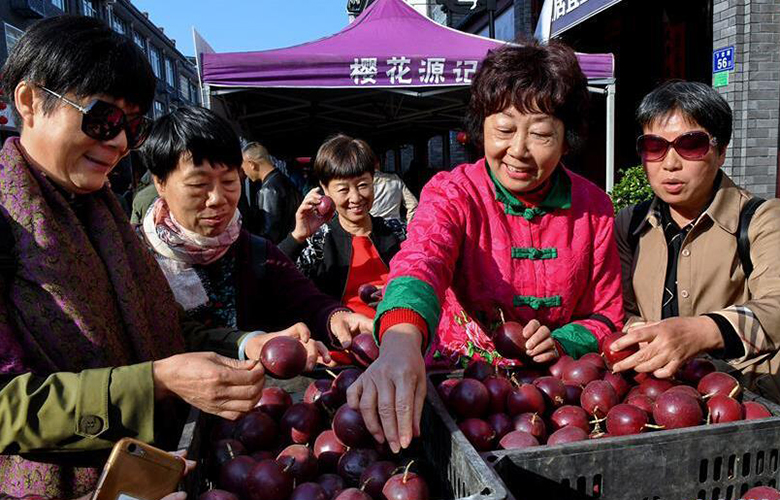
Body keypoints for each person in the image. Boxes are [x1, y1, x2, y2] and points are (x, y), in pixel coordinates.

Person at [0, 16, 309, 497]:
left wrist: (244, 343)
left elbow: (160, 326)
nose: (119, 142)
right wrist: (155, 381)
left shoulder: (103, 217)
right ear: (29, 102)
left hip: (146, 472)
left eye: (132, 126)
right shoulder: (7, 221)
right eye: (101, 118)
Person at [347, 41, 624, 453]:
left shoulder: (594, 209)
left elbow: (606, 314)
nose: (519, 151)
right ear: (482, 128)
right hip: (461, 388)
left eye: (542, 134)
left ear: (568, 139)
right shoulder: (454, 192)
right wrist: (401, 341)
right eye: (505, 129)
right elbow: (422, 260)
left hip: (556, 399)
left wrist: (564, 340)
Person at [139, 106, 371, 354]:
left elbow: (305, 299)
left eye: (229, 181)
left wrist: (334, 317)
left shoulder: (254, 250)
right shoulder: (135, 258)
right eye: (198, 184)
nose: (218, 198)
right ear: (160, 183)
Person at [610, 81, 780, 399]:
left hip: (741, 399)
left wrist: (701, 331)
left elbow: (775, 307)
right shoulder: (629, 224)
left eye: (691, 145)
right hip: (653, 398)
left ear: (721, 151)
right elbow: (618, 307)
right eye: (654, 146)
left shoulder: (762, 219)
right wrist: (639, 331)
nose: (670, 163)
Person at [278, 134, 406, 320]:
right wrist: (297, 236)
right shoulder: (318, 241)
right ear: (325, 189)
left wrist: (396, 294)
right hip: (340, 344)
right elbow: (272, 278)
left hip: (402, 337)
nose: (355, 198)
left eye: (363, 185)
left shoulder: (398, 232)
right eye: (343, 189)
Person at [241, 142, 302, 243]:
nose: (245, 173)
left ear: (252, 165)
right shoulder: (285, 180)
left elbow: (270, 233)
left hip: (280, 251)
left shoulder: (268, 190)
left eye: (243, 168)